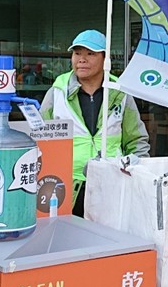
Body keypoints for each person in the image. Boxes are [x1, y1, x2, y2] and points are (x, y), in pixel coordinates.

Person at [41, 29, 149, 216]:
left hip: (111, 184)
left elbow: (137, 141)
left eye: (90, 53)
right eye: (77, 53)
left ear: (105, 59)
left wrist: (136, 177)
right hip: (65, 187)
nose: (81, 59)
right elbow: (40, 138)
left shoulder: (119, 92)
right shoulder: (58, 91)